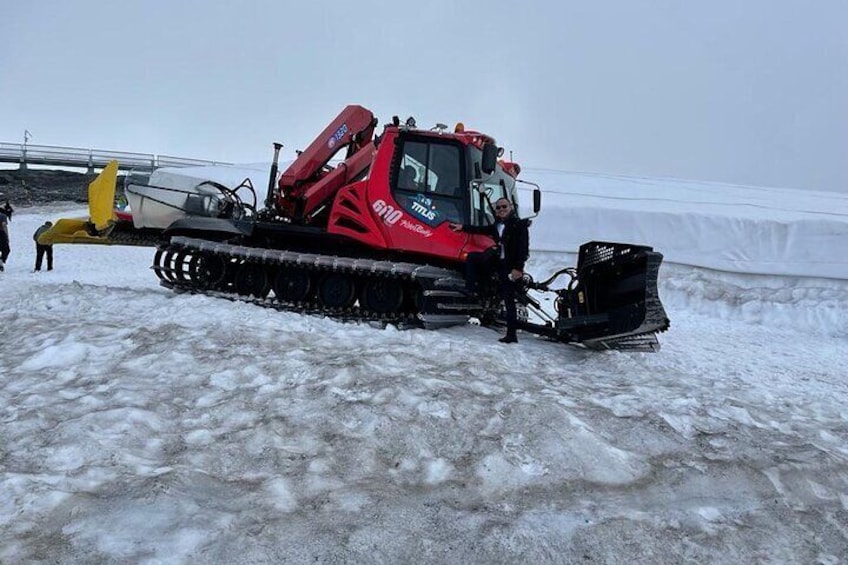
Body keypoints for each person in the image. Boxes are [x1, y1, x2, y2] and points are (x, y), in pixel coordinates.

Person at [449, 197, 530, 344]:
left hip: (510, 266)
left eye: (504, 206)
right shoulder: (497, 225)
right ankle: (471, 289)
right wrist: (463, 227)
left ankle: (511, 335)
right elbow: (482, 230)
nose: (501, 210)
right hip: (499, 262)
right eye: (498, 208)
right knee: (473, 257)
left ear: (511, 207)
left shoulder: (519, 225)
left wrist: (518, 268)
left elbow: (523, 249)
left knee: (508, 298)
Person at [0, 207, 9, 271]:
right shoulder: (2, 216)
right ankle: (1, 261)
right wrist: (7, 236)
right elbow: (4, 225)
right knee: (6, 250)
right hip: (1, 234)